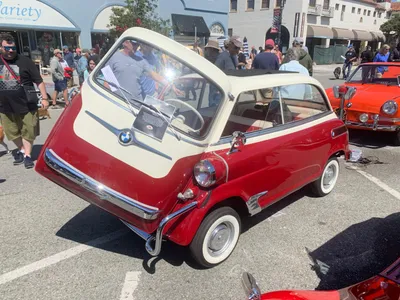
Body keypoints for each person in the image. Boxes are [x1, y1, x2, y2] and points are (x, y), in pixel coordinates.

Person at [0, 32, 49, 168]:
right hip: (4, 105)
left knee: (29, 130)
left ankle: (27, 155)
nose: (10, 51)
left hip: (27, 103)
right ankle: (21, 149)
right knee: (11, 131)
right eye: (7, 48)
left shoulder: (25, 61)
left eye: (13, 48)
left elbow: (39, 81)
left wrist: (44, 98)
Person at [106, 40, 170, 101]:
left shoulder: (141, 61)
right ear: (125, 43)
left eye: (137, 44)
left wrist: (170, 84)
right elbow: (106, 81)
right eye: (133, 44)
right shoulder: (114, 56)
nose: (136, 46)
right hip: (118, 100)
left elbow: (154, 75)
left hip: (136, 103)